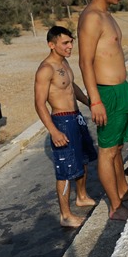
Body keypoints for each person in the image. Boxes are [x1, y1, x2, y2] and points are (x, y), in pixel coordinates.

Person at [78, 0, 128, 221]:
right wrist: (95, 101)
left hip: (121, 90)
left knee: (118, 145)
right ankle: (115, 207)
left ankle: (122, 189)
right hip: (107, 93)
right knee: (107, 150)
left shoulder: (108, 16)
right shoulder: (91, 17)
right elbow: (85, 61)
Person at [34, 26, 97, 228]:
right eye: (65, 43)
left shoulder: (65, 62)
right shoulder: (46, 69)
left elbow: (72, 87)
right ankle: (65, 215)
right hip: (61, 120)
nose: (70, 46)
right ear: (51, 45)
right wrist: (53, 131)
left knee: (84, 159)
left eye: (71, 42)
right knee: (66, 169)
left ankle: (81, 196)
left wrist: (90, 102)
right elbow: (39, 103)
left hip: (76, 116)